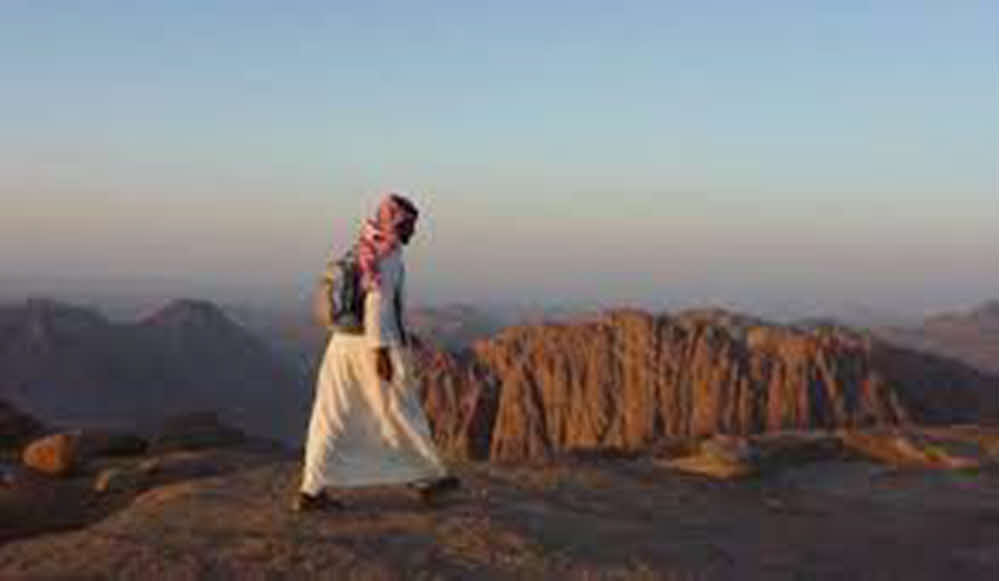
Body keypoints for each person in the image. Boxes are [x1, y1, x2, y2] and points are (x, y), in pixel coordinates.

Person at [293, 193, 459, 512]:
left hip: (342, 345)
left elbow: (370, 301)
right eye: (409, 225)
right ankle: (427, 478)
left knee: (331, 414)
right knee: (400, 409)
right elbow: (377, 303)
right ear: (395, 224)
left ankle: (311, 489)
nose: (413, 232)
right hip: (370, 346)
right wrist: (381, 350)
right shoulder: (389, 256)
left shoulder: (364, 247)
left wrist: (403, 334)